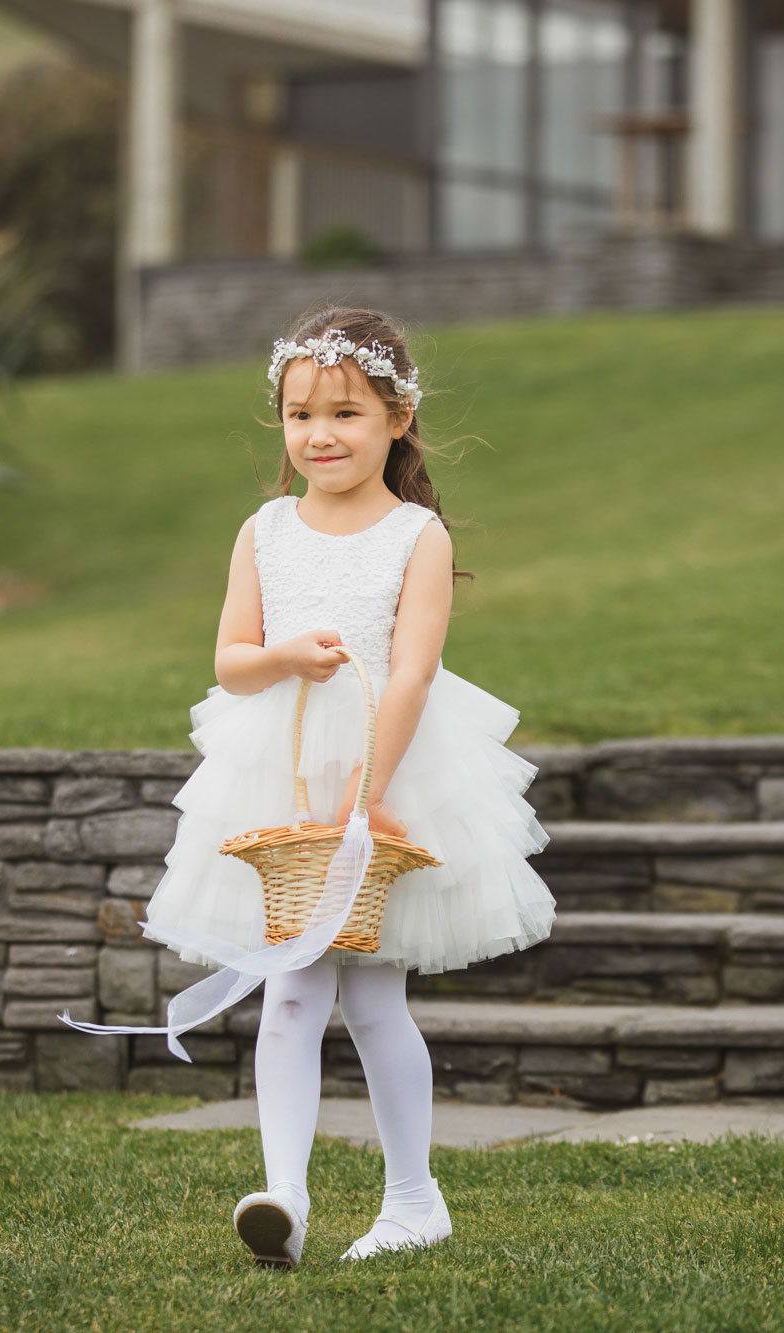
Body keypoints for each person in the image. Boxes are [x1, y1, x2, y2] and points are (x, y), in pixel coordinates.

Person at [61, 306, 555, 1269]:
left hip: (388, 770)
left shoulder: (419, 537)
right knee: (289, 993)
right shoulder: (264, 531)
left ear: (397, 417)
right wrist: (281, 653)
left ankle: (414, 1197)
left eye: (345, 413)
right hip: (281, 777)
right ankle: (283, 1193)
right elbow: (232, 661)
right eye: (299, 415)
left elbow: (410, 672)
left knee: (373, 1001)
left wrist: (368, 791)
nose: (319, 434)